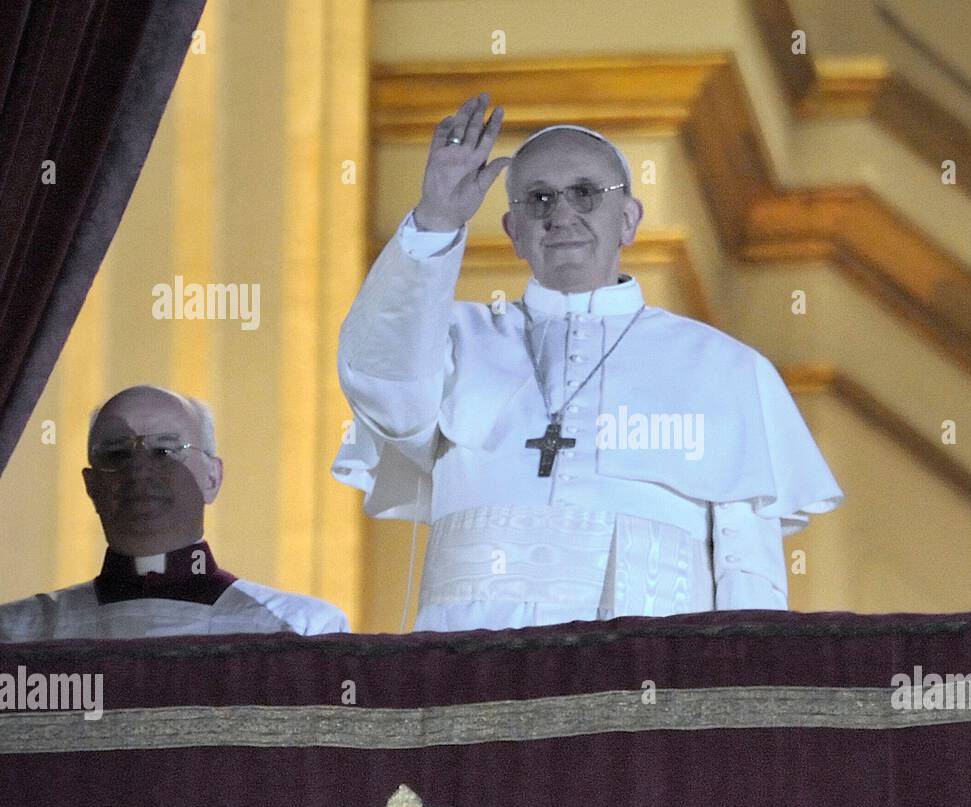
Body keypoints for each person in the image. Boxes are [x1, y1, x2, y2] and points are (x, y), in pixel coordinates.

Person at [333, 93, 842, 631]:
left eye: (585, 193)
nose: (562, 214)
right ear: (513, 233)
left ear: (628, 220)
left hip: (646, 678)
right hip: (467, 672)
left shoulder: (727, 369)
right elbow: (382, 390)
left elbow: (748, 575)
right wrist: (435, 219)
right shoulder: (452, 339)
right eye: (540, 199)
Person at [0, 385, 350, 640]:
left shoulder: (305, 629)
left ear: (212, 477)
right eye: (117, 454)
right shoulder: (19, 634)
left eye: (165, 451)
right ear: (91, 487)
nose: (139, 471)